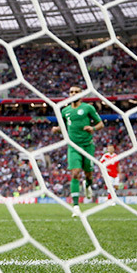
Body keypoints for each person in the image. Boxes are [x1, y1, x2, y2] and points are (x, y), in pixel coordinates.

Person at [53, 85, 103, 217]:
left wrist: (93, 128)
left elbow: (101, 124)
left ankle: (88, 185)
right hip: (73, 147)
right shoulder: (65, 111)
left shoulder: (88, 108)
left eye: (76, 92)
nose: (73, 93)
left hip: (87, 146)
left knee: (88, 174)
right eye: (71, 92)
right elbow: (63, 126)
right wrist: (57, 129)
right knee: (75, 173)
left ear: (81, 94)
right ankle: (76, 206)